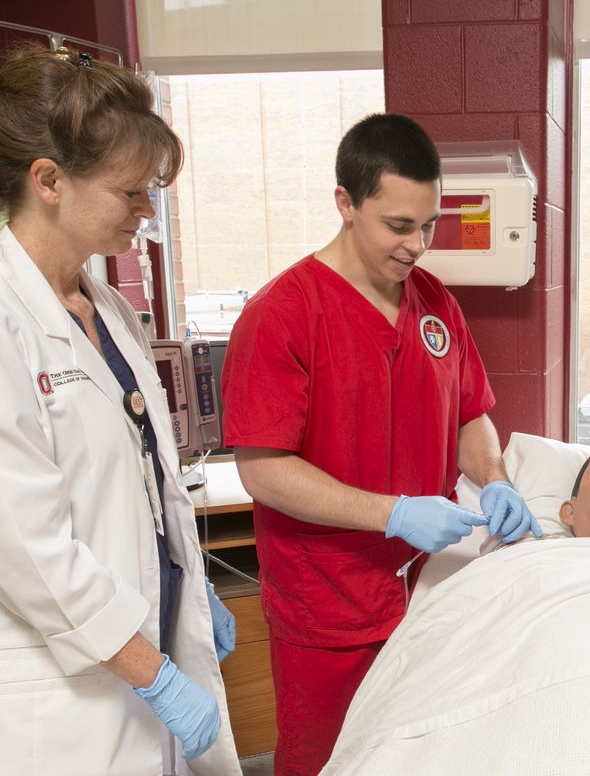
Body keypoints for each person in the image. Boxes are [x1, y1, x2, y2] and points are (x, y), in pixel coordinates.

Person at [0, 48, 239, 775]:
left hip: (121, 672)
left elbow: (144, 487)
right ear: (48, 180)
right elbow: (28, 545)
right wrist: (153, 669)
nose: (146, 215)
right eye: (131, 193)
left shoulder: (108, 310)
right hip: (37, 710)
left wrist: (188, 587)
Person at [220, 113, 540, 774]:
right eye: (399, 225)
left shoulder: (435, 305)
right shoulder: (282, 315)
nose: (418, 244)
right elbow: (264, 470)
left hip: (428, 597)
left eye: (428, 224)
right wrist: (394, 512)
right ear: (345, 202)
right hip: (329, 609)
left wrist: (498, 478)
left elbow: (468, 416)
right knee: (330, 761)